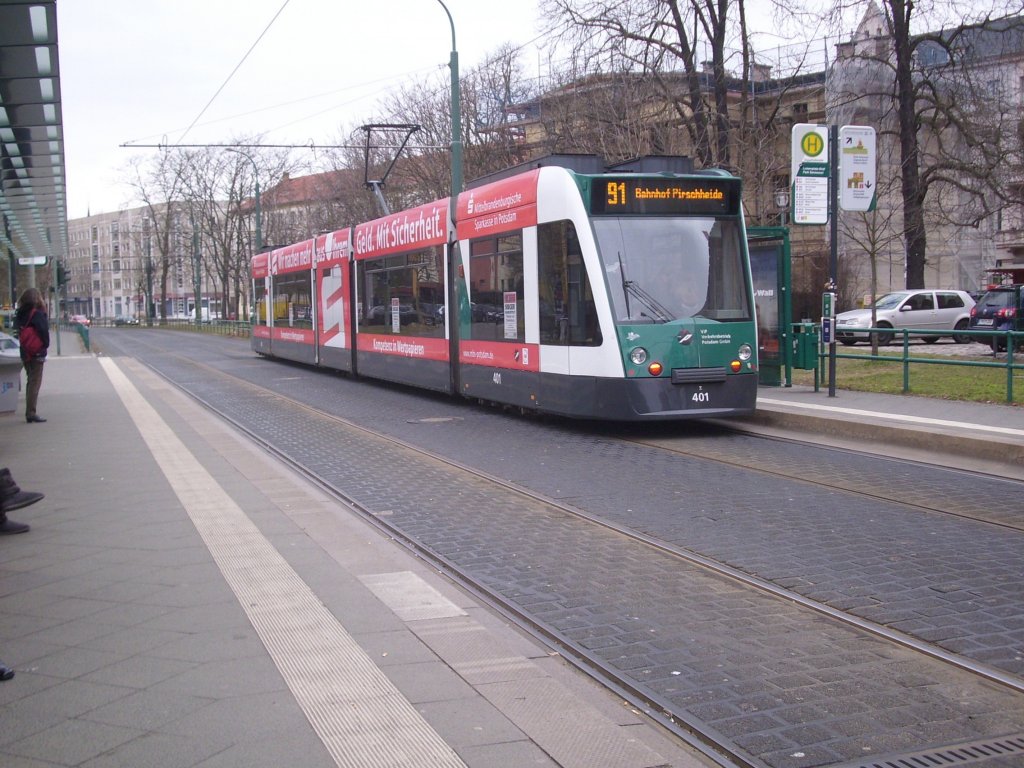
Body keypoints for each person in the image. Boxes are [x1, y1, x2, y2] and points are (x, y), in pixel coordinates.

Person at [13, 287, 49, 423]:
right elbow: (44, 332)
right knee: (35, 381)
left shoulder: (20, 314)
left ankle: (30, 410)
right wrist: (44, 346)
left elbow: (16, 330)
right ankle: (31, 413)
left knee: (30, 379)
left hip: (25, 351)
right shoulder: (37, 314)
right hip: (36, 351)